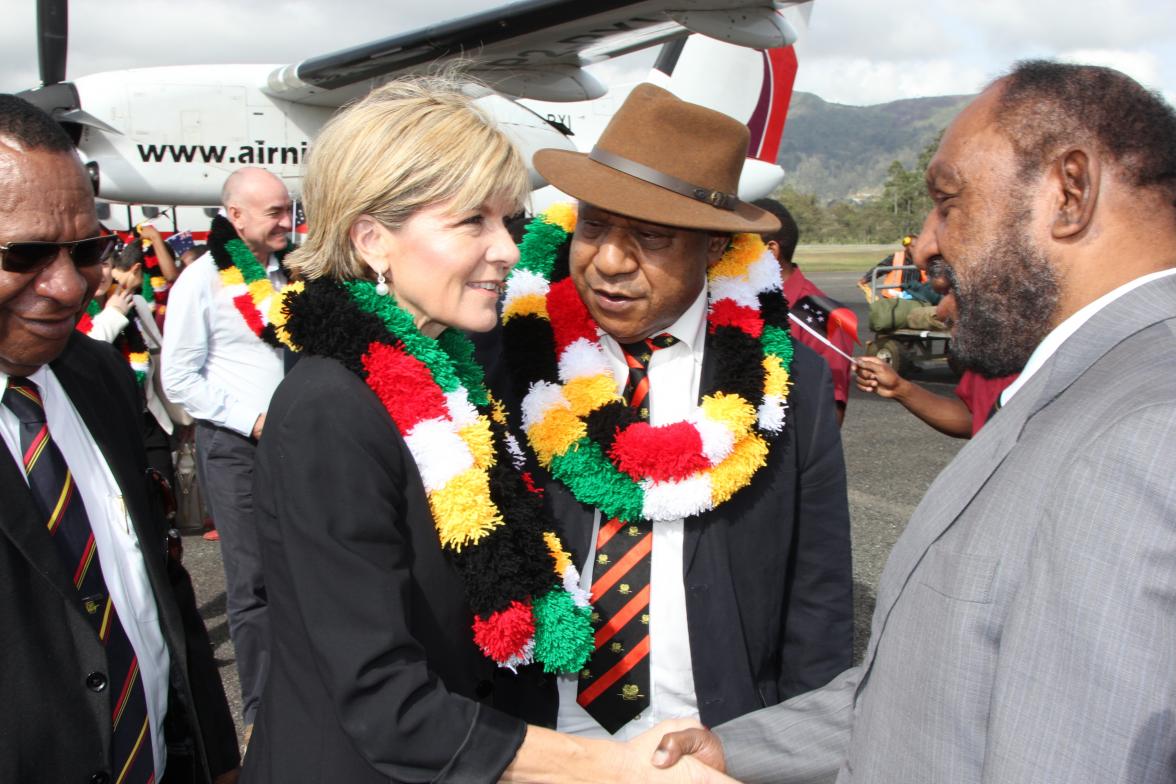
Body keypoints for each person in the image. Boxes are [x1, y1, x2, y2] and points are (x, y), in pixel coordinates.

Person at [654, 60, 1176, 783]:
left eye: (947, 202)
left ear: (1070, 193)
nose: (925, 243)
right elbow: (938, 683)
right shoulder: (1083, 385)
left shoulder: (1145, 433)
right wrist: (734, 749)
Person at [242, 76, 731, 784]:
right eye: (473, 222)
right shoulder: (329, 408)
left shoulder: (454, 378)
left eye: (510, 219)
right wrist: (616, 767)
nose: (508, 248)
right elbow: (387, 703)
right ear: (372, 239)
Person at [486, 83, 853, 741]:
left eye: (650, 238)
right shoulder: (513, 359)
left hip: (710, 742)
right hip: (540, 736)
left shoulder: (790, 386)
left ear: (713, 248)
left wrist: (794, 749)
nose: (610, 261)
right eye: (593, 225)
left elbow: (818, 596)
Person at [0, 93, 239, 783]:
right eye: (24, 255)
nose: (67, 285)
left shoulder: (97, 375)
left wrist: (217, 758)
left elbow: (160, 586)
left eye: (86, 250)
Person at [161, 166, 290, 737]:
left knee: (301, 570)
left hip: (293, 446)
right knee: (254, 582)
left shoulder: (292, 275)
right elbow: (178, 378)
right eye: (275, 213)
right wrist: (253, 420)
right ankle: (263, 713)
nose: (288, 221)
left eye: (290, 210)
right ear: (234, 217)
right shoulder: (201, 279)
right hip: (237, 447)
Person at [754, 198, 856, 425]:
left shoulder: (820, 316)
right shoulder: (739, 301)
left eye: (737, 248)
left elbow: (829, 415)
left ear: (771, 251)